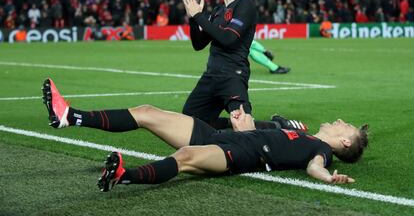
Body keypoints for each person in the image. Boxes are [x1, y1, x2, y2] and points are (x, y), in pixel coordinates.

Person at [42, 78, 369, 192]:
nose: (340, 120)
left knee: (184, 159)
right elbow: (265, 128)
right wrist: (242, 121)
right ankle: (70, 116)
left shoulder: (321, 152)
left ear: (343, 143)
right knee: (147, 112)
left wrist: (328, 179)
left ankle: (123, 176)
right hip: (224, 136)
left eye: (346, 127)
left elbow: (314, 167)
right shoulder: (301, 132)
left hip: (240, 156)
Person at [182, 0, 257, 129]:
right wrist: (194, 19)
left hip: (232, 75)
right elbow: (199, 44)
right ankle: (264, 126)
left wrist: (199, 17)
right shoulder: (218, 11)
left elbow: (228, 39)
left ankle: (275, 129)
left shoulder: (245, 5)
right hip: (211, 76)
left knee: (245, 128)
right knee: (190, 124)